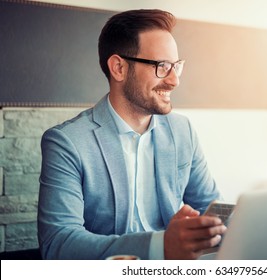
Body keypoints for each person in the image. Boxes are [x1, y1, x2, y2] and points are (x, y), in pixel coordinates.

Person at [38, 9, 226, 260]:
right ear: (118, 68)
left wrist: (206, 230)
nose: (174, 81)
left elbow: (215, 211)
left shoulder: (182, 132)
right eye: (162, 66)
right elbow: (59, 243)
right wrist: (161, 245)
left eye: (176, 66)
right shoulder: (67, 143)